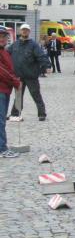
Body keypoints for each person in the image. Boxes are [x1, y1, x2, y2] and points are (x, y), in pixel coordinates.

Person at [7, 24, 50, 121]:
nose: (24, 31)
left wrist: (47, 66)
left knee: (36, 95)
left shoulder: (34, 45)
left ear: (29, 32)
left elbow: (41, 56)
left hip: (31, 75)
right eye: (23, 30)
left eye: (26, 30)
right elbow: (6, 54)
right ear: (20, 31)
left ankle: (42, 114)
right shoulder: (15, 44)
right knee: (18, 96)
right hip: (18, 75)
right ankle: (15, 114)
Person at [0, 27, 22, 158]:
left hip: (5, 90)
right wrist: (15, 81)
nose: (2, 39)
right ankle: (2, 149)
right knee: (0, 121)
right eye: (0, 36)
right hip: (1, 90)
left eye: (4, 36)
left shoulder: (4, 52)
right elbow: (2, 71)